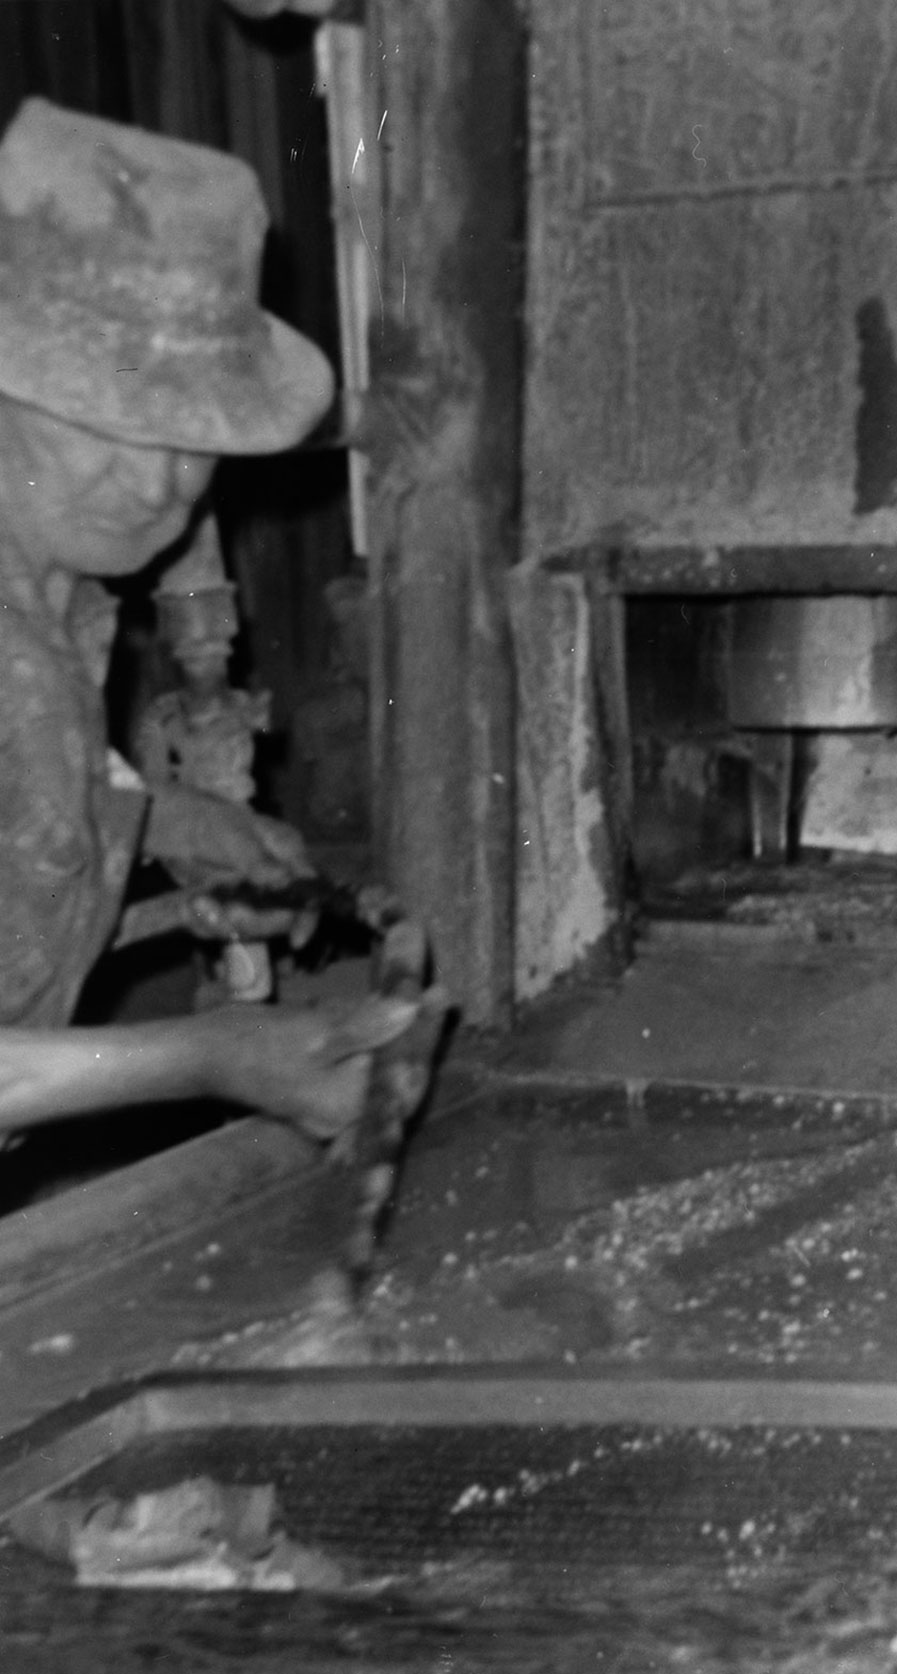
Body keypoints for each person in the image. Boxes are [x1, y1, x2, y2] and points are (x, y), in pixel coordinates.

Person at [0, 98, 414, 1145]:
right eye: (104, 424)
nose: (155, 485)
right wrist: (207, 1057)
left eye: (191, 437)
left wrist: (178, 832)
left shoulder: (57, 595)